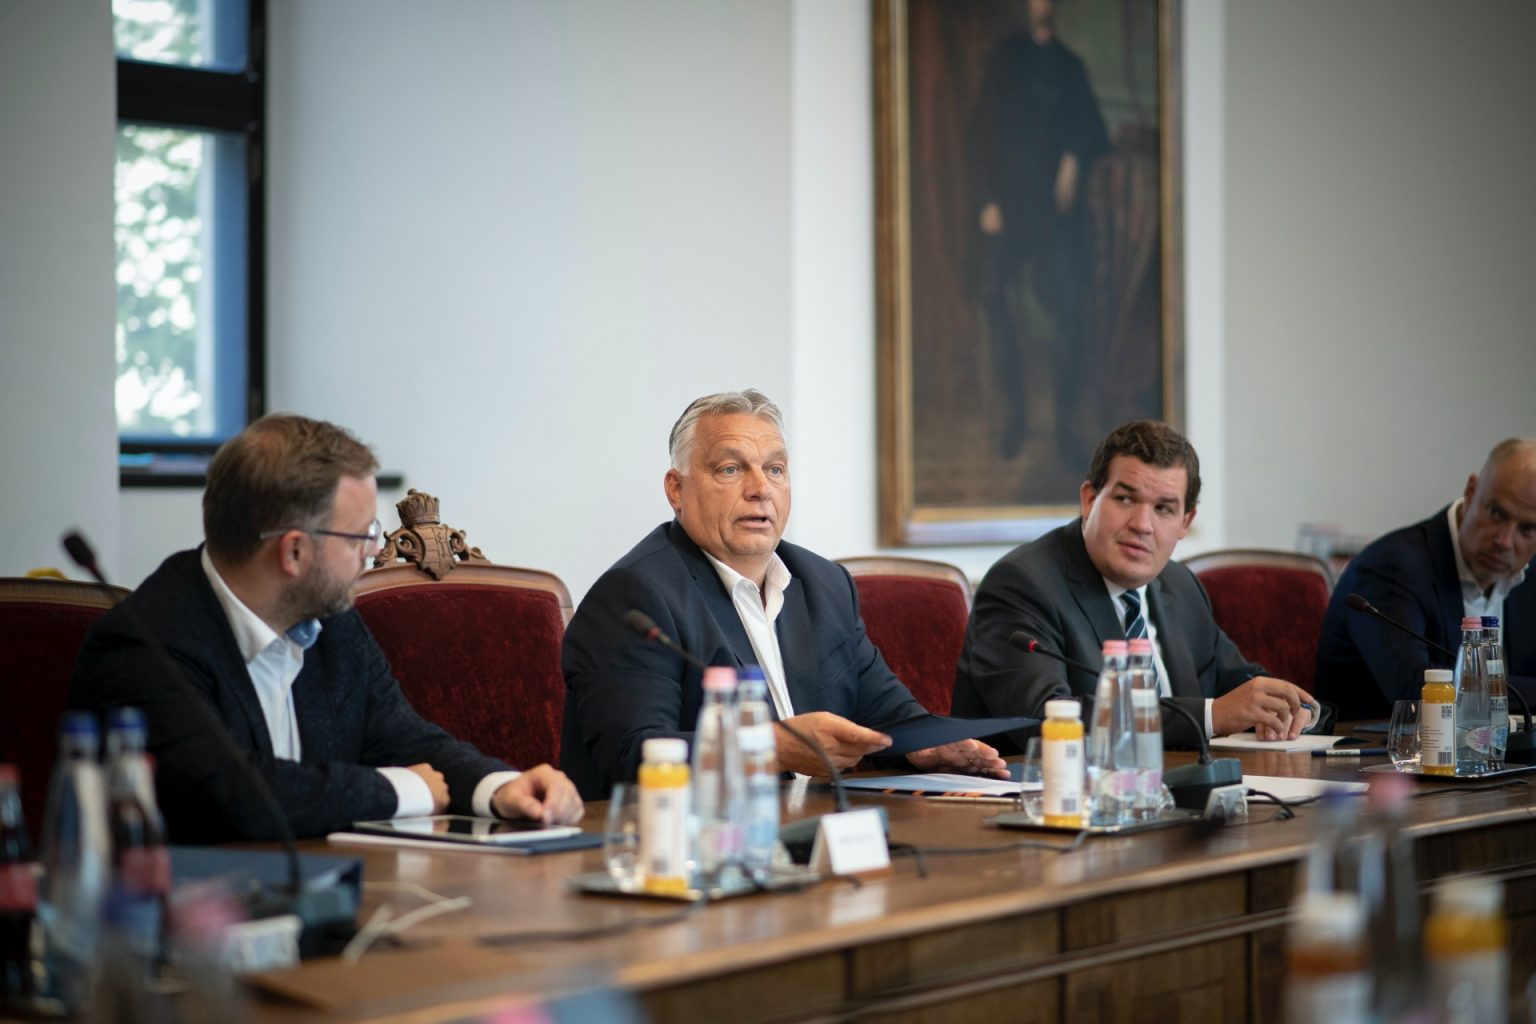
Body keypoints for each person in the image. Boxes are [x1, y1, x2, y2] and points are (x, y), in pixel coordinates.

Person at [70, 414, 583, 843]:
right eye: (361, 535)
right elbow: (229, 795)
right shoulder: (143, 644)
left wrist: (500, 787)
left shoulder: (331, 621)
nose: (373, 551)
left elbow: (405, 739)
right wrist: (403, 791)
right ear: (294, 551)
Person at [560, 389, 1008, 799]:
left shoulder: (823, 584)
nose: (760, 489)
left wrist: (922, 746)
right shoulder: (635, 595)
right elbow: (634, 756)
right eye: (730, 469)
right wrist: (770, 747)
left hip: (810, 832)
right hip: (683, 844)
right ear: (676, 490)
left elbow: (887, 711)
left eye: (775, 469)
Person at [951, 420, 1316, 751]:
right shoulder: (1023, 584)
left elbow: (1239, 685)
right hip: (1045, 796)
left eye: (1163, 508)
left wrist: (1293, 710)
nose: (1142, 524)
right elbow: (1045, 720)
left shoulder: (1180, 586)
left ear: (1185, 522)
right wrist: (1211, 715)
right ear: (1090, 500)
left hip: (1176, 792)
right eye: (1125, 499)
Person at [967, 0, 1110, 463]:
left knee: (1069, 308)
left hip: (1055, 214)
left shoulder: (1070, 65)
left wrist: (1073, 156)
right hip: (1008, 208)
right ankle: (1016, 417)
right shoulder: (1004, 59)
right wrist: (988, 200)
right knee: (995, 297)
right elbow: (981, 132)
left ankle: (1065, 425)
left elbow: (1092, 130)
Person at [1315, 438, 1536, 720]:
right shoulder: (1392, 566)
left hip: (1493, 746)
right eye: (1495, 513)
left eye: (1527, 529)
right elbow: (1416, 687)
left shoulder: (1529, 576)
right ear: (1471, 492)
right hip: (1381, 745)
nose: (1504, 541)